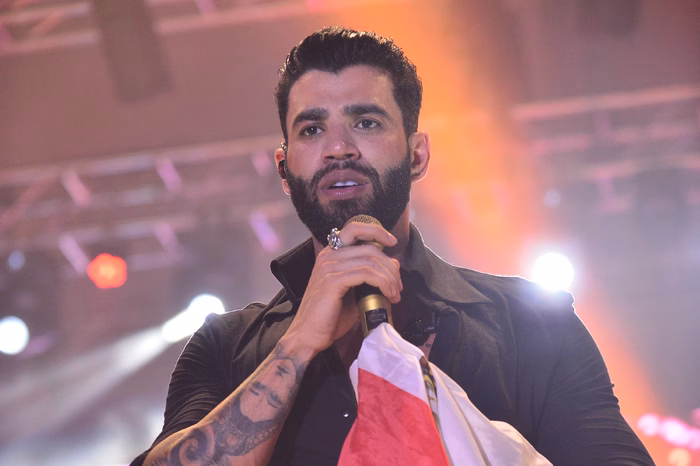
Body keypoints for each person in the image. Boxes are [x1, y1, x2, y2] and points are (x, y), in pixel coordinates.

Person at [133, 27, 654, 465]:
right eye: (311, 129)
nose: (338, 148)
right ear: (284, 169)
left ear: (417, 154)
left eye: (366, 122)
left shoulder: (532, 323)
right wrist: (299, 342)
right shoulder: (224, 346)